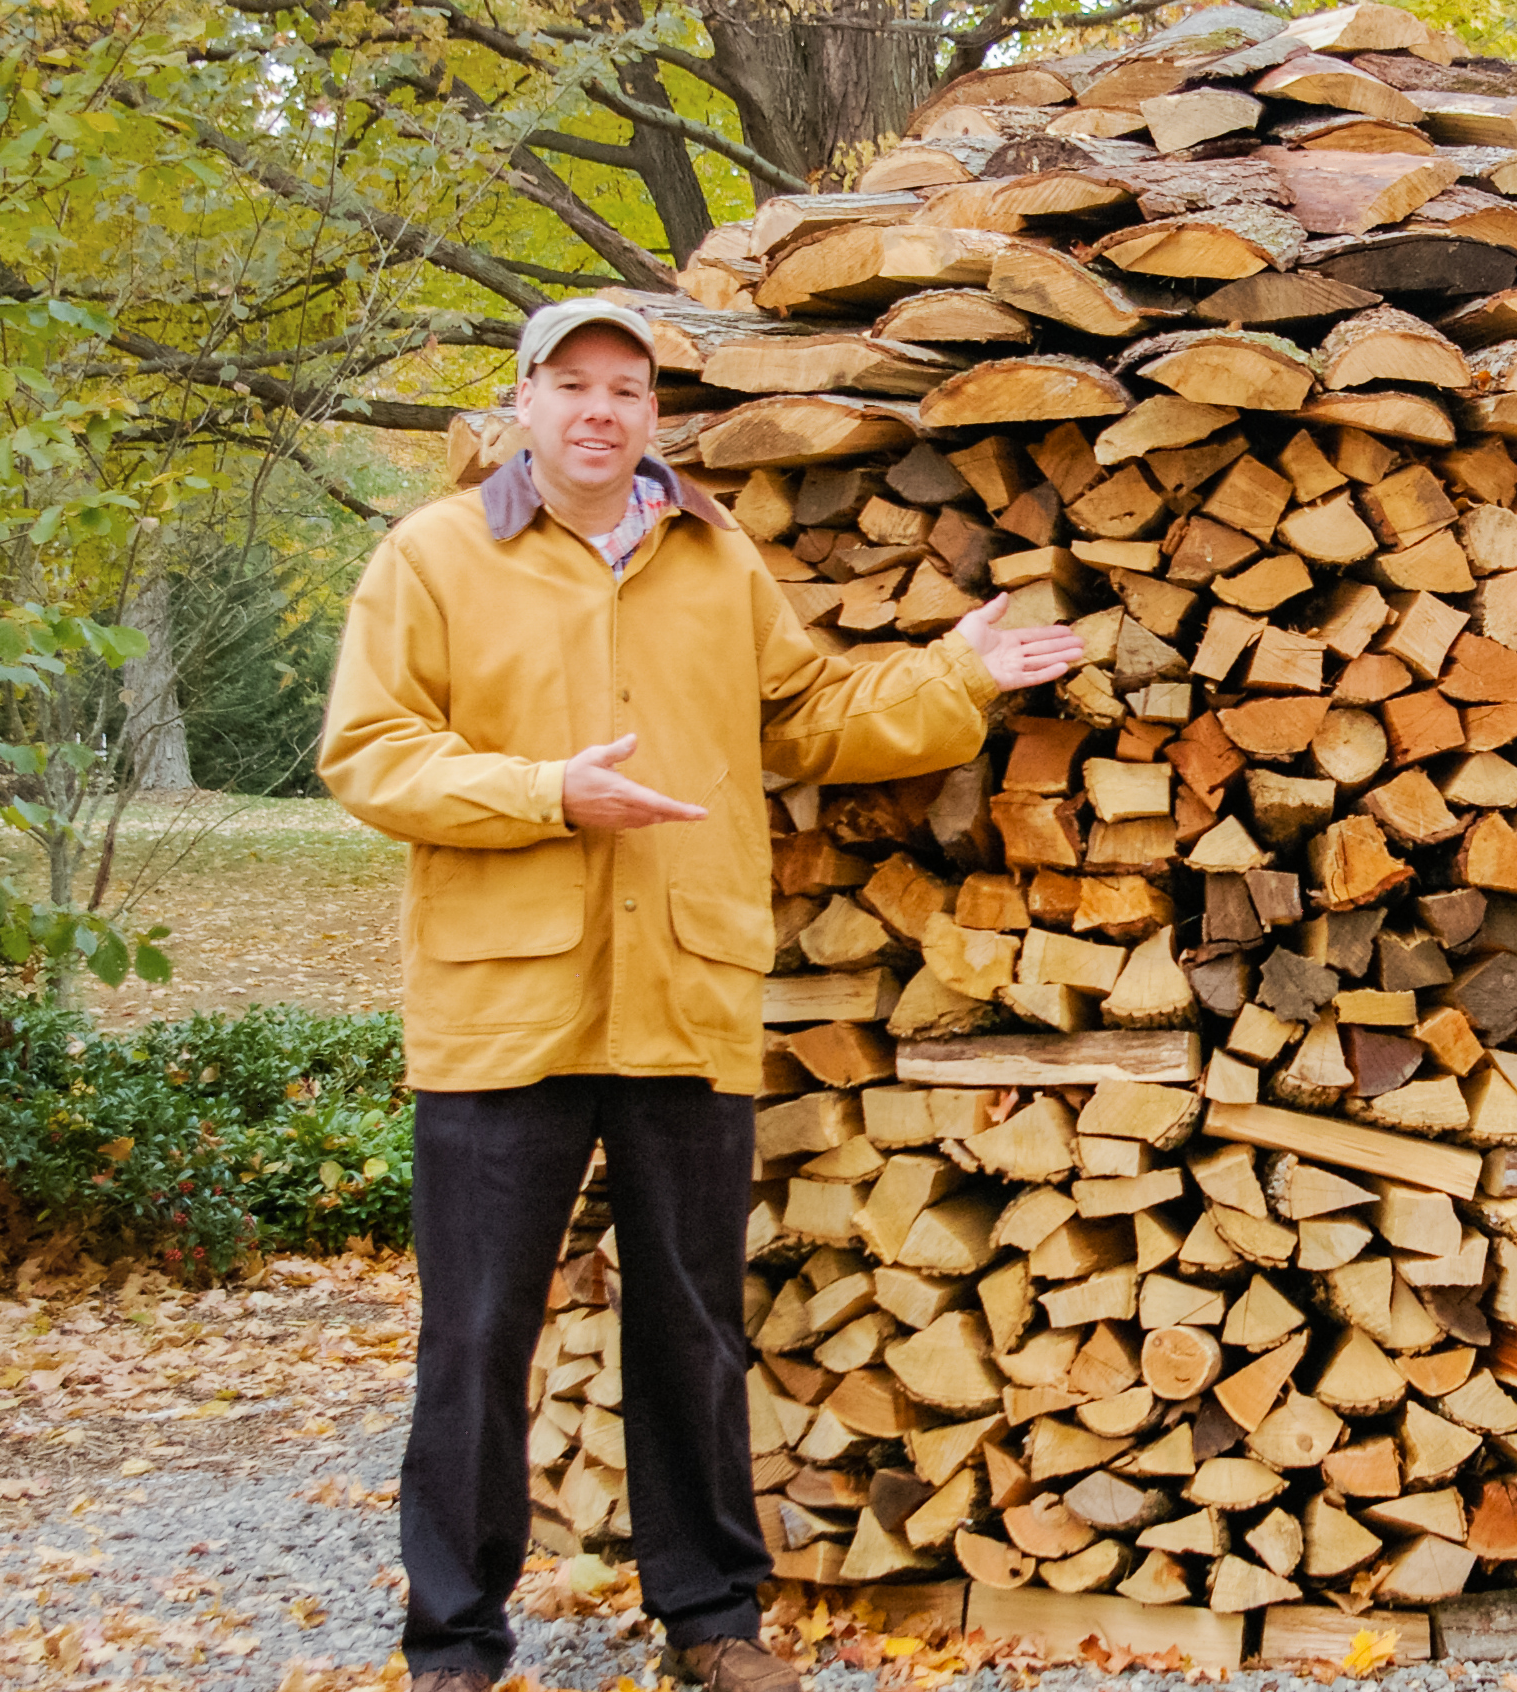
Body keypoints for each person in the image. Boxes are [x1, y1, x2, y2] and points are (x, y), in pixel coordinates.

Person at [320, 298, 1084, 1692]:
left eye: (627, 389)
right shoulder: (430, 557)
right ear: (525, 404)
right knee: (478, 1332)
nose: (601, 411)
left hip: (683, 992)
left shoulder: (713, 558)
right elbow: (369, 754)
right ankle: (453, 1643)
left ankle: (712, 1622)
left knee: (691, 1323)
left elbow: (807, 719)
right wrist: (545, 793)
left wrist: (955, 677)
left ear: (654, 415)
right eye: (574, 386)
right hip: (506, 1012)